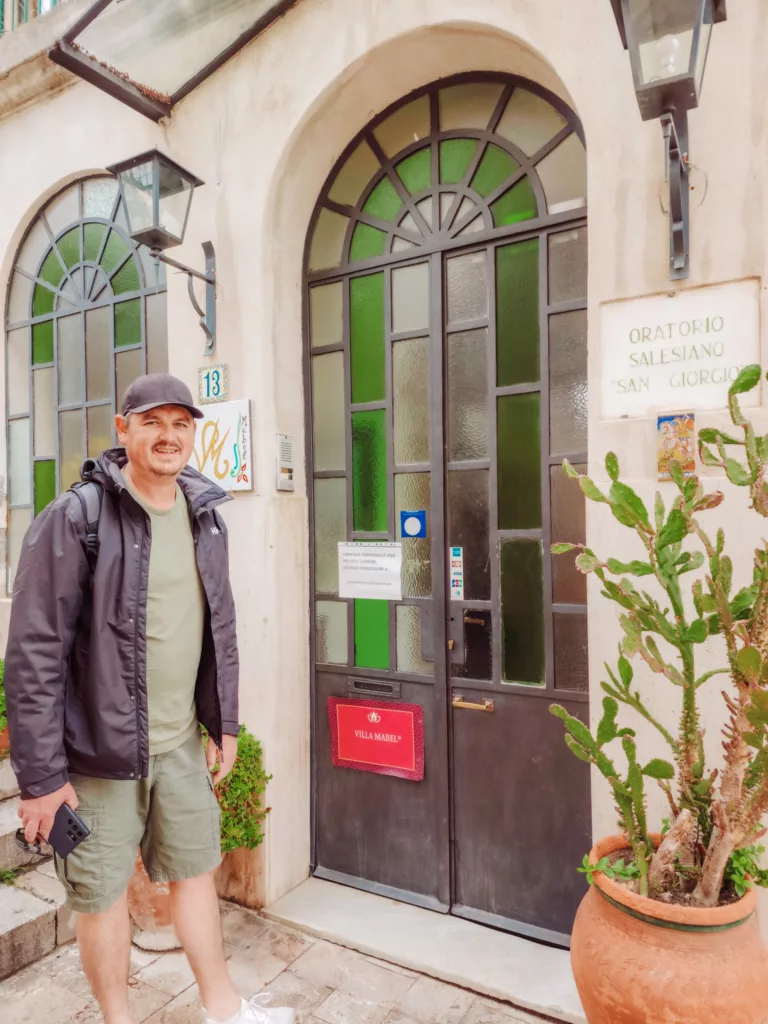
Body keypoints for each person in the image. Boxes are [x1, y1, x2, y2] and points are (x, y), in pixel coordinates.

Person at [4, 374, 295, 1024]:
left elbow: (218, 625)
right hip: (97, 761)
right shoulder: (76, 519)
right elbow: (33, 655)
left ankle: (223, 1008)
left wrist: (222, 724)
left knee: (195, 873)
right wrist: (42, 778)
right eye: (152, 422)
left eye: (181, 424)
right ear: (123, 429)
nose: (168, 436)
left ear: (194, 432)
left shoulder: (204, 515)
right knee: (102, 895)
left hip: (180, 748)